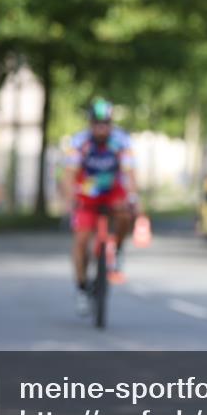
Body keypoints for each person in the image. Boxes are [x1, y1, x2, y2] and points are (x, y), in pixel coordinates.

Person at [64, 99, 138, 314]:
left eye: (105, 123)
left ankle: (118, 248)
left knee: (125, 213)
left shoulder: (121, 142)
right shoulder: (79, 143)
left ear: (111, 123)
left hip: (113, 192)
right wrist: (70, 199)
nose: (101, 128)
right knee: (81, 241)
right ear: (90, 124)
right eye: (97, 123)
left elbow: (130, 174)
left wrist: (133, 196)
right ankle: (81, 287)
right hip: (87, 194)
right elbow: (68, 176)